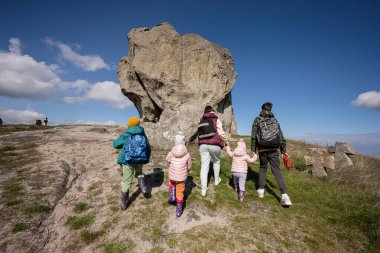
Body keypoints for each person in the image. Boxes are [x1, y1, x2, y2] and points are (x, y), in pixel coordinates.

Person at [251, 102, 292, 206]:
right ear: (271, 109)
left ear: (262, 109)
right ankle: (284, 195)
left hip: (262, 149)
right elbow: (281, 136)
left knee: (262, 168)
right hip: (274, 149)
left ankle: (261, 190)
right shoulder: (275, 120)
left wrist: (253, 150)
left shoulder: (257, 119)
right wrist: (283, 151)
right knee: (276, 170)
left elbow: (254, 136)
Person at [113, 116, 151, 211]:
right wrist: (146, 159)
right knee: (139, 173)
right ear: (138, 124)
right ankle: (144, 189)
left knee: (127, 181)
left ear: (129, 124)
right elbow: (148, 147)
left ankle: (124, 204)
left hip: (127, 161)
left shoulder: (126, 134)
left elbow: (115, 144)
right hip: (140, 159)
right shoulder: (142, 134)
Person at [198, 105, 229, 196]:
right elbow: (221, 132)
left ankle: (204, 189)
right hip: (215, 144)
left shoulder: (201, 120)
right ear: (213, 111)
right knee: (216, 161)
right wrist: (226, 141)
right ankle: (216, 180)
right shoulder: (216, 120)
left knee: (204, 166)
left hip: (203, 145)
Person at [166, 132, 192, 217]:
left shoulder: (171, 152)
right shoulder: (187, 154)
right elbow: (189, 166)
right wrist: (187, 170)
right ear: (184, 142)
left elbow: (167, 159)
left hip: (172, 174)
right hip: (181, 177)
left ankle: (172, 196)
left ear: (175, 142)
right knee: (180, 192)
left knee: (171, 183)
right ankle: (179, 210)